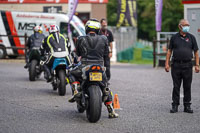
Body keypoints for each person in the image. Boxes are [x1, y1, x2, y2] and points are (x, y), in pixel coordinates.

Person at [68, 19, 119, 118]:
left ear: (87, 28)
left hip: (84, 66)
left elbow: (78, 53)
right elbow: (105, 53)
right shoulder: (104, 38)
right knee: (105, 87)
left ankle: (76, 91)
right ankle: (111, 111)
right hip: (99, 67)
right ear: (98, 29)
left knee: (71, 73)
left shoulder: (80, 39)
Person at [165, 19, 199, 113]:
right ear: (180, 26)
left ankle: (187, 106)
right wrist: (166, 63)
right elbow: (169, 51)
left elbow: (196, 52)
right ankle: (175, 105)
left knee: (187, 86)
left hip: (188, 65)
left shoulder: (191, 37)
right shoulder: (174, 37)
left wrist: (197, 65)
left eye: (188, 25)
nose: (187, 27)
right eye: (185, 25)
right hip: (176, 65)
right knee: (176, 86)